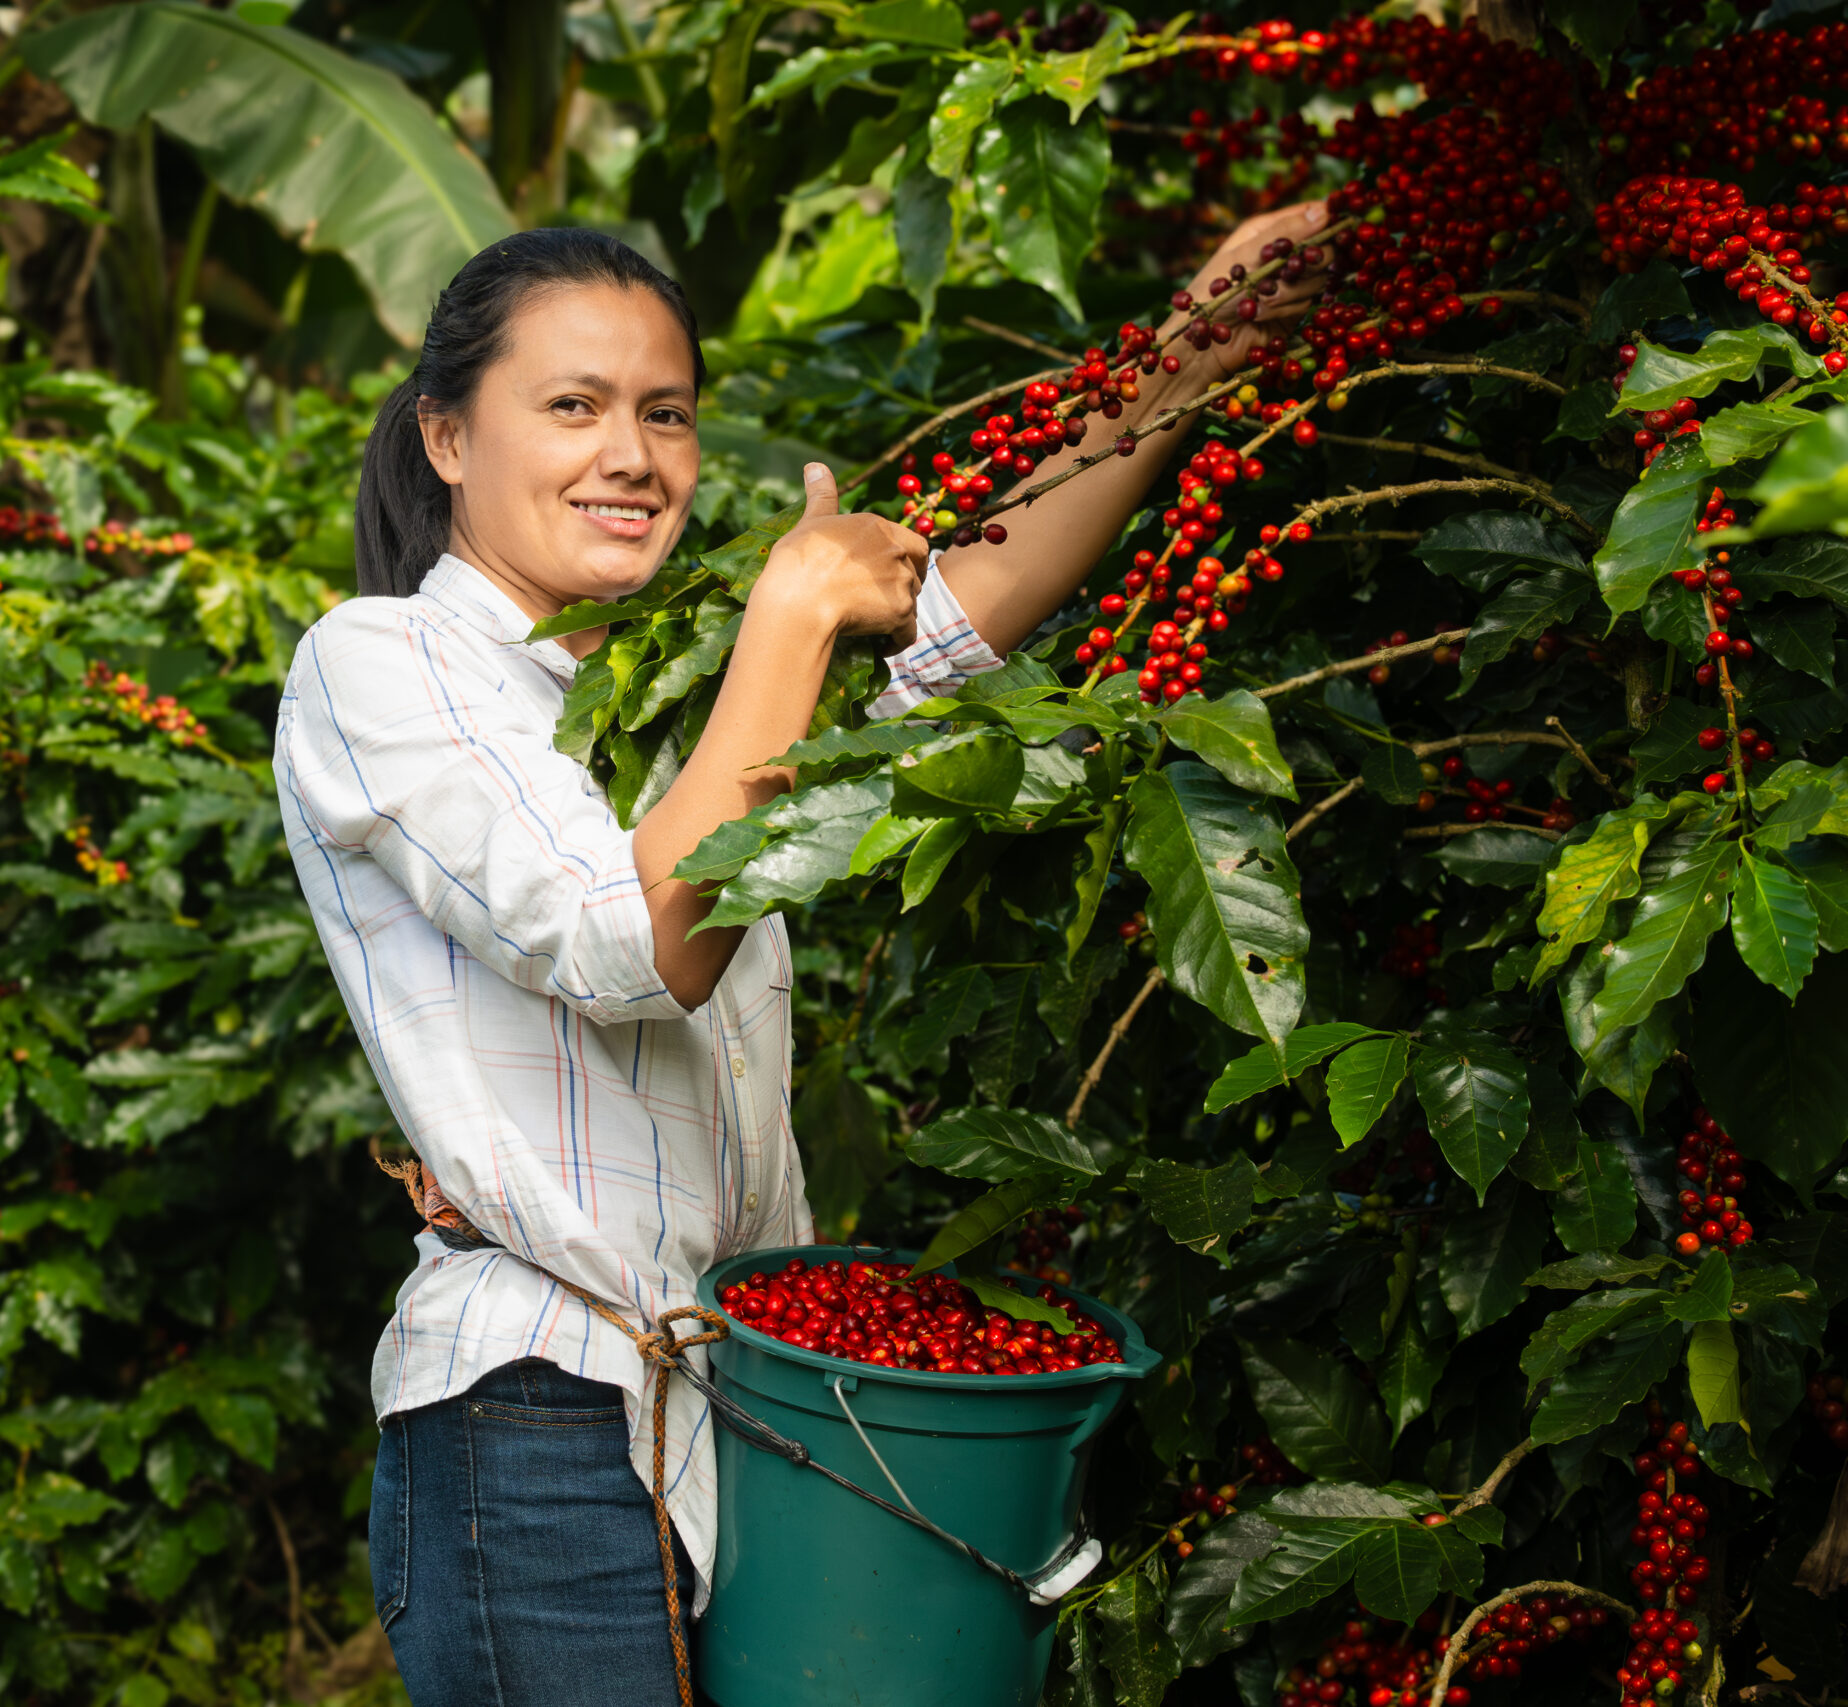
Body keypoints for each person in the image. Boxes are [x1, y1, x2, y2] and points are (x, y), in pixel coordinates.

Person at [274, 206, 1328, 1707]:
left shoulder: (692, 685)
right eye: (570, 407)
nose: (630, 454)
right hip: (537, 1422)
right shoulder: (382, 664)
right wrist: (794, 607)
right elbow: (633, 940)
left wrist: (1195, 349)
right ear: (447, 438)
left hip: (748, 1415)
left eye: (665, 413)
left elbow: (963, 619)